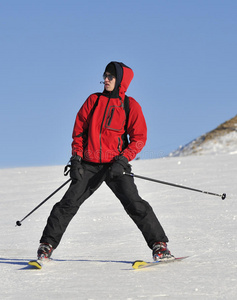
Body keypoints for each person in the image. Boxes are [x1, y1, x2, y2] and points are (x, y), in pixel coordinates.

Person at [37, 61, 173, 262]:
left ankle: (159, 246)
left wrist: (122, 160)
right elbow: (79, 133)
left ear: (120, 80)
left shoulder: (130, 105)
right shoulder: (93, 101)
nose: (106, 79)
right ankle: (46, 246)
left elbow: (139, 139)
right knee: (67, 204)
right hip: (89, 164)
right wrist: (76, 159)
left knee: (134, 203)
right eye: (105, 75)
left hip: (115, 165)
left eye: (111, 76)